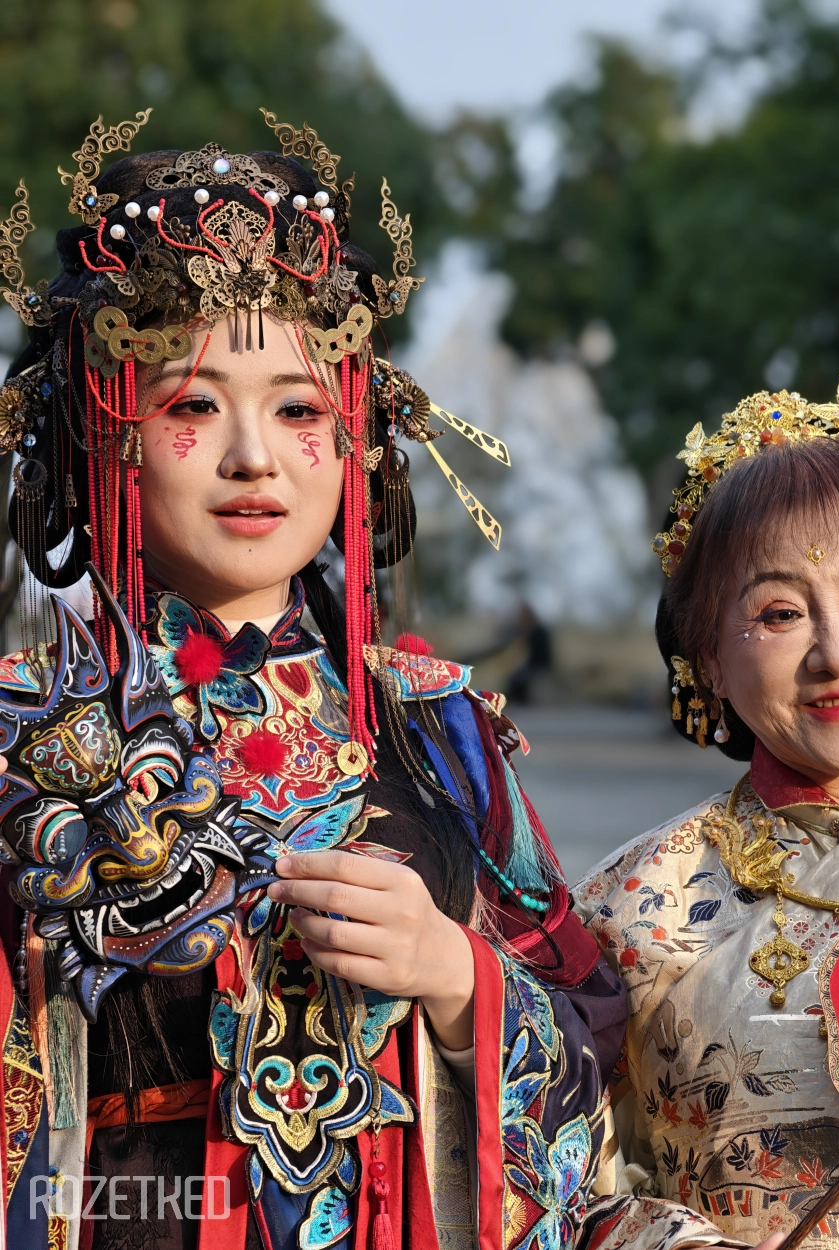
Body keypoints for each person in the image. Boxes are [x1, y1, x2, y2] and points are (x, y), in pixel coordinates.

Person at [0, 112, 626, 1250]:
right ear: (101, 431)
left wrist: (456, 979)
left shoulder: (435, 725)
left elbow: (591, 1016)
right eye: (193, 405)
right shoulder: (28, 732)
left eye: (298, 408)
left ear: (352, 438)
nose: (254, 456)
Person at [572, 380, 839, 1250]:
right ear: (709, 665)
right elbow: (553, 1188)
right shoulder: (626, 911)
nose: (837, 652)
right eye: (780, 614)